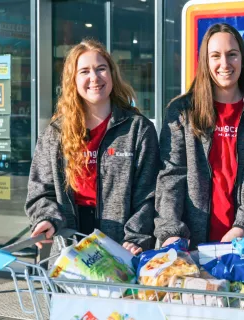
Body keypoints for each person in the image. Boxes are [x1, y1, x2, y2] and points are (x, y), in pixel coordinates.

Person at [154, 23, 244, 249]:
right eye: (215, 56)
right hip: (187, 242)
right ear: (205, 61)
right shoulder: (182, 111)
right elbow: (170, 175)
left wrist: (242, 225)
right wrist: (171, 231)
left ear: (242, 58)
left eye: (232, 55)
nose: (225, 64)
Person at [25, 39, 159, 255]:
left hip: (123, 248)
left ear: (112, 75)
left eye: (101, 69)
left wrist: (137, 237)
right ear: (73, 81)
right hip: (69, 248)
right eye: (84, 71)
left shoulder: (137, 129)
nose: (94, 78)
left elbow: (150, 194)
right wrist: (46, 218)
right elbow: (40, 191)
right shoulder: (56, 132)